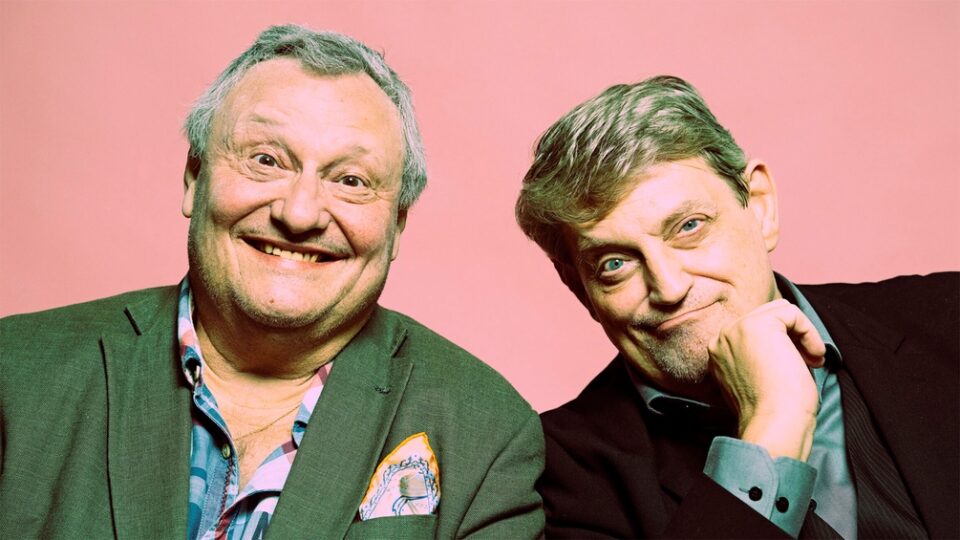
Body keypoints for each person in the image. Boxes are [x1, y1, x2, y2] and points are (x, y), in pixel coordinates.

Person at [0, 25, 543, 539]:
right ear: (194, 178)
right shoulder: (15, 374)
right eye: (266, 160)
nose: (299, 213)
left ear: (397, 224)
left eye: (351, 180)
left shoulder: (486, 435)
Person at [516, 75, 958, 539]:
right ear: (578, 287)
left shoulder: (948, 319)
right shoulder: (557, 475)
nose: (669, 287)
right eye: (614, 263)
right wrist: (772, 423)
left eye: (689, 226)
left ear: (761, 207)